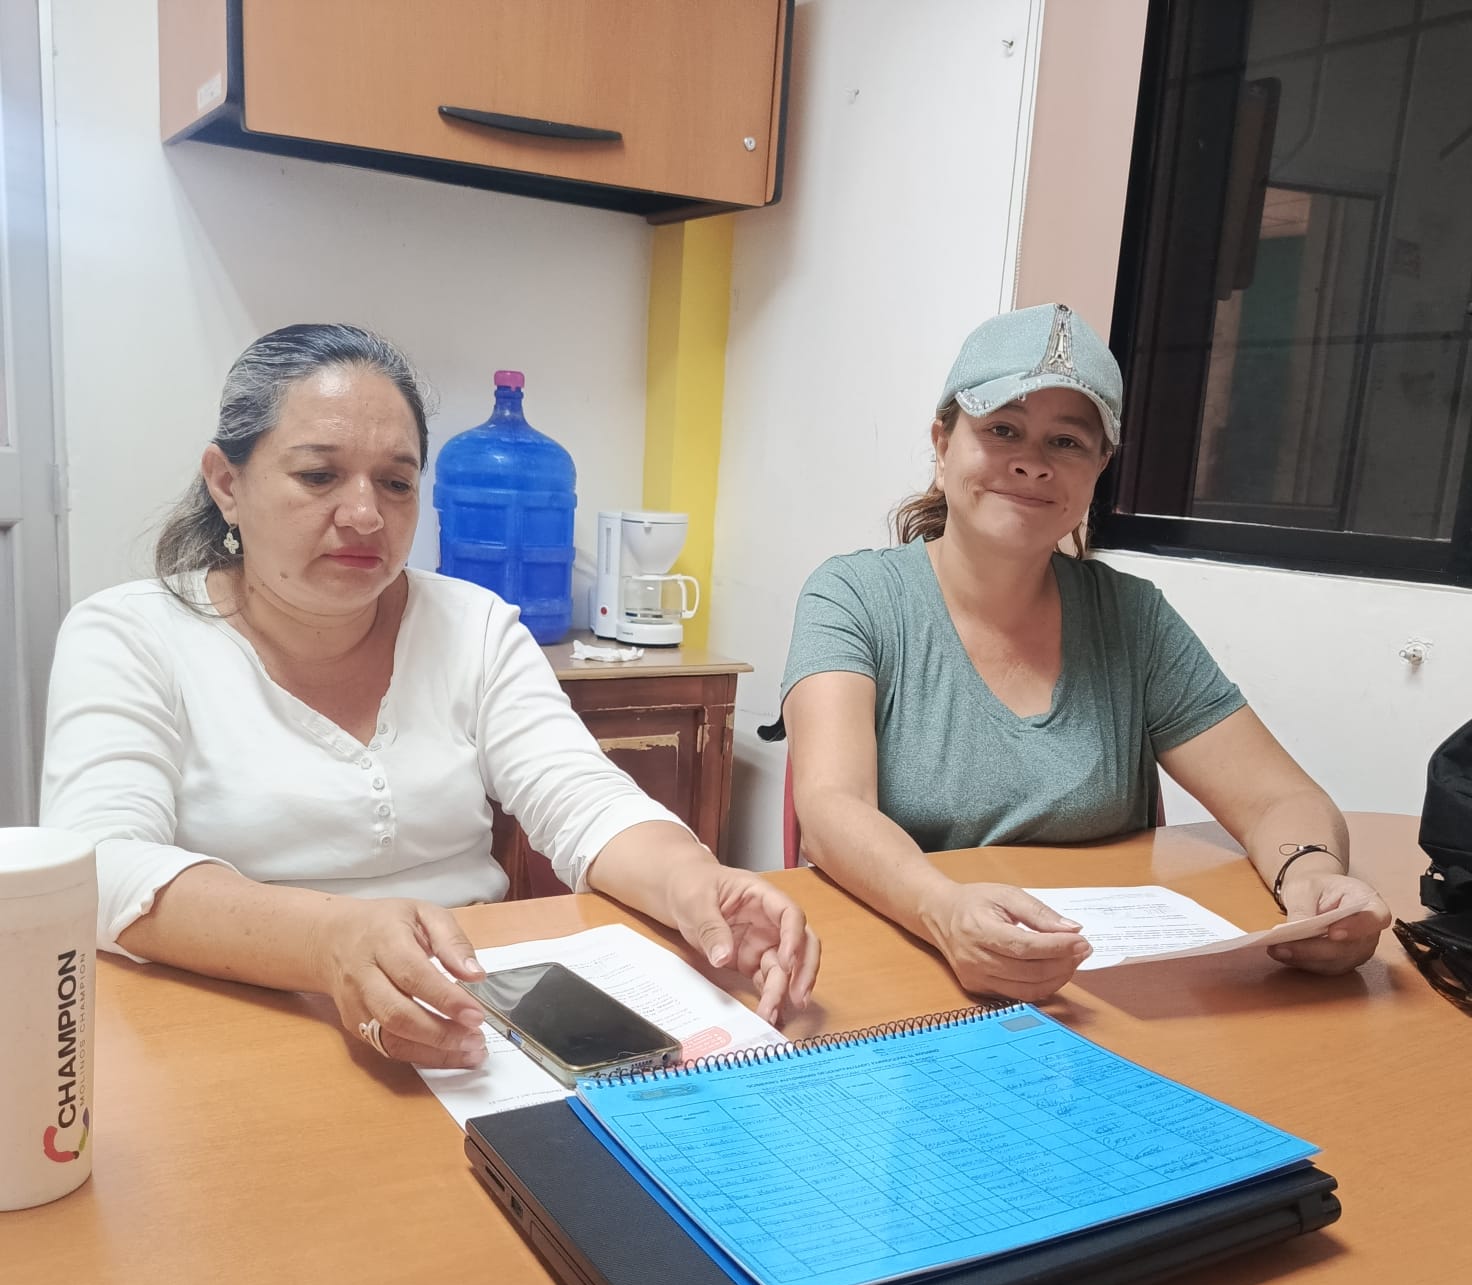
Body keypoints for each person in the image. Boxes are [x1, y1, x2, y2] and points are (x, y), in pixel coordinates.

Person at [41, 324, 819, 1067]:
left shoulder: (473, 625)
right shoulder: (130, 635)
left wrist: (695, 883)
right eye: (318, 476)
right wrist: (327, 941)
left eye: (396, 483)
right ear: (227, 483)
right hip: (230, 1022)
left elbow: (582, 799)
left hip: (464, 1014)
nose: (365, 515)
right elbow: (99, 864)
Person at [774, 302, 1389, 1003]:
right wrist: (943, 911)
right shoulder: (853, 596)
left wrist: (1313, 878)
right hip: (908, 968)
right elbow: (832, 807)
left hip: (1094, 987)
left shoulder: (1133, 618)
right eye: (1002, 429)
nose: (1032, 463)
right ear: (943, 445)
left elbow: (1280, 796)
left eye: (1066, 442)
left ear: (1100, 468)